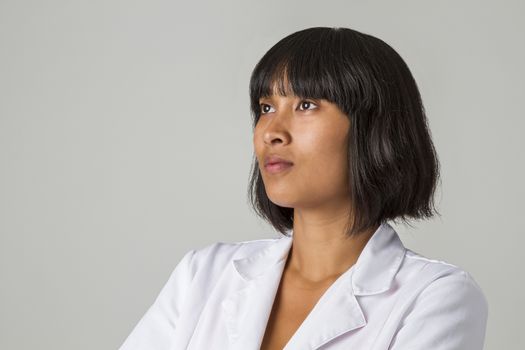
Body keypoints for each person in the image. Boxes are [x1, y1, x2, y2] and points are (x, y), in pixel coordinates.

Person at [118, 27, 488, 350]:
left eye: (306, 104)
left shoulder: (435, 297)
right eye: (265, 107)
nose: (271, 132)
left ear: (372, 128)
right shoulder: (204, 274)